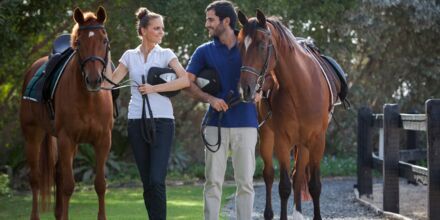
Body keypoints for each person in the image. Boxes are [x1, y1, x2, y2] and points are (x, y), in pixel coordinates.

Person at [104, 7, 189, 220]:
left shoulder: (166, 54)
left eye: (162, 29)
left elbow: (184, 80)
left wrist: (153, 88)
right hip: (136, 121)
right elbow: (110, 83)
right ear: (143, 31)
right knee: (146, 182)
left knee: (156, 180)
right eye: (156, 28)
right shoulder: (129, 56)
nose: (161, 32)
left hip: (162, 122)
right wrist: (102, 57)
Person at [185, 1, 258, 219]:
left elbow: (269, 74)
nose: (206, 24)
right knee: (213, 182)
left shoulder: (249, 45)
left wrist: (262, 90)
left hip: (246, 123)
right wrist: (210, 98)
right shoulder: (204, 51)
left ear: (226, 21)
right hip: (215, 124)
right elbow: (186, 83)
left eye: (210, 19)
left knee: (245, 183)